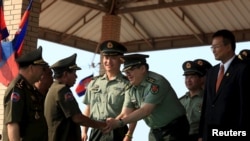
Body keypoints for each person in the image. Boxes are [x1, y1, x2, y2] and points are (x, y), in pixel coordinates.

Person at [106, 54, 189, 141]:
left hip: (175, 128)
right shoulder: (130, 87)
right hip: (155, 130)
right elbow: (125, 114)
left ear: (143, 69)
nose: (127, 74)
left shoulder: (157, 83)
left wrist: (120, 123)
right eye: (126, 71)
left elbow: (145, 110)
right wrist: (110, 124)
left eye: (131, 70)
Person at [198, 29, 250, 141]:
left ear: (228, 46)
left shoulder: (243, 69)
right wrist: (201, 134)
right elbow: (207, 105)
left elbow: (244, 106)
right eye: (212, 47)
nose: (213, 50)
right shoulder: (211, 72)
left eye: (216, 46)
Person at [82, 40, 136, 141]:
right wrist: (84, 131)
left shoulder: (127, 84)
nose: (108, 62)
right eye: (106, 57)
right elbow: (88, 109)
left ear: (121, 60)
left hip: (118, 130)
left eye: (113, 58)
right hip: (96, 129)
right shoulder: (94, 83)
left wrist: (129, 134)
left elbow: (133, 112)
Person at [44, 53, 106, 141]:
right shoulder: (62, 90)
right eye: (74, 73)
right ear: (65, 74)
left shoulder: (53, 89)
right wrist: (102, 125)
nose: (76, 76)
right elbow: (78, 118)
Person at [2, 46, 49, 141]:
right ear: (31, 68)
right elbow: (12, 123)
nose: (42, 73)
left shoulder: (29, 89)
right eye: (41, 69)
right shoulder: (17, 89)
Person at [179, 60, 209, 141]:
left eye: (192, 77)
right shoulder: (180, 101)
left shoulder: (208, 100)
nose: (188, 80)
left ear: (200, 79)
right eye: (186, 77)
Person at [31, 65, 53, 141]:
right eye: (49, 74)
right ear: (41, 76)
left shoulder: (52, 96)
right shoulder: (27, 94)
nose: (52, 78)